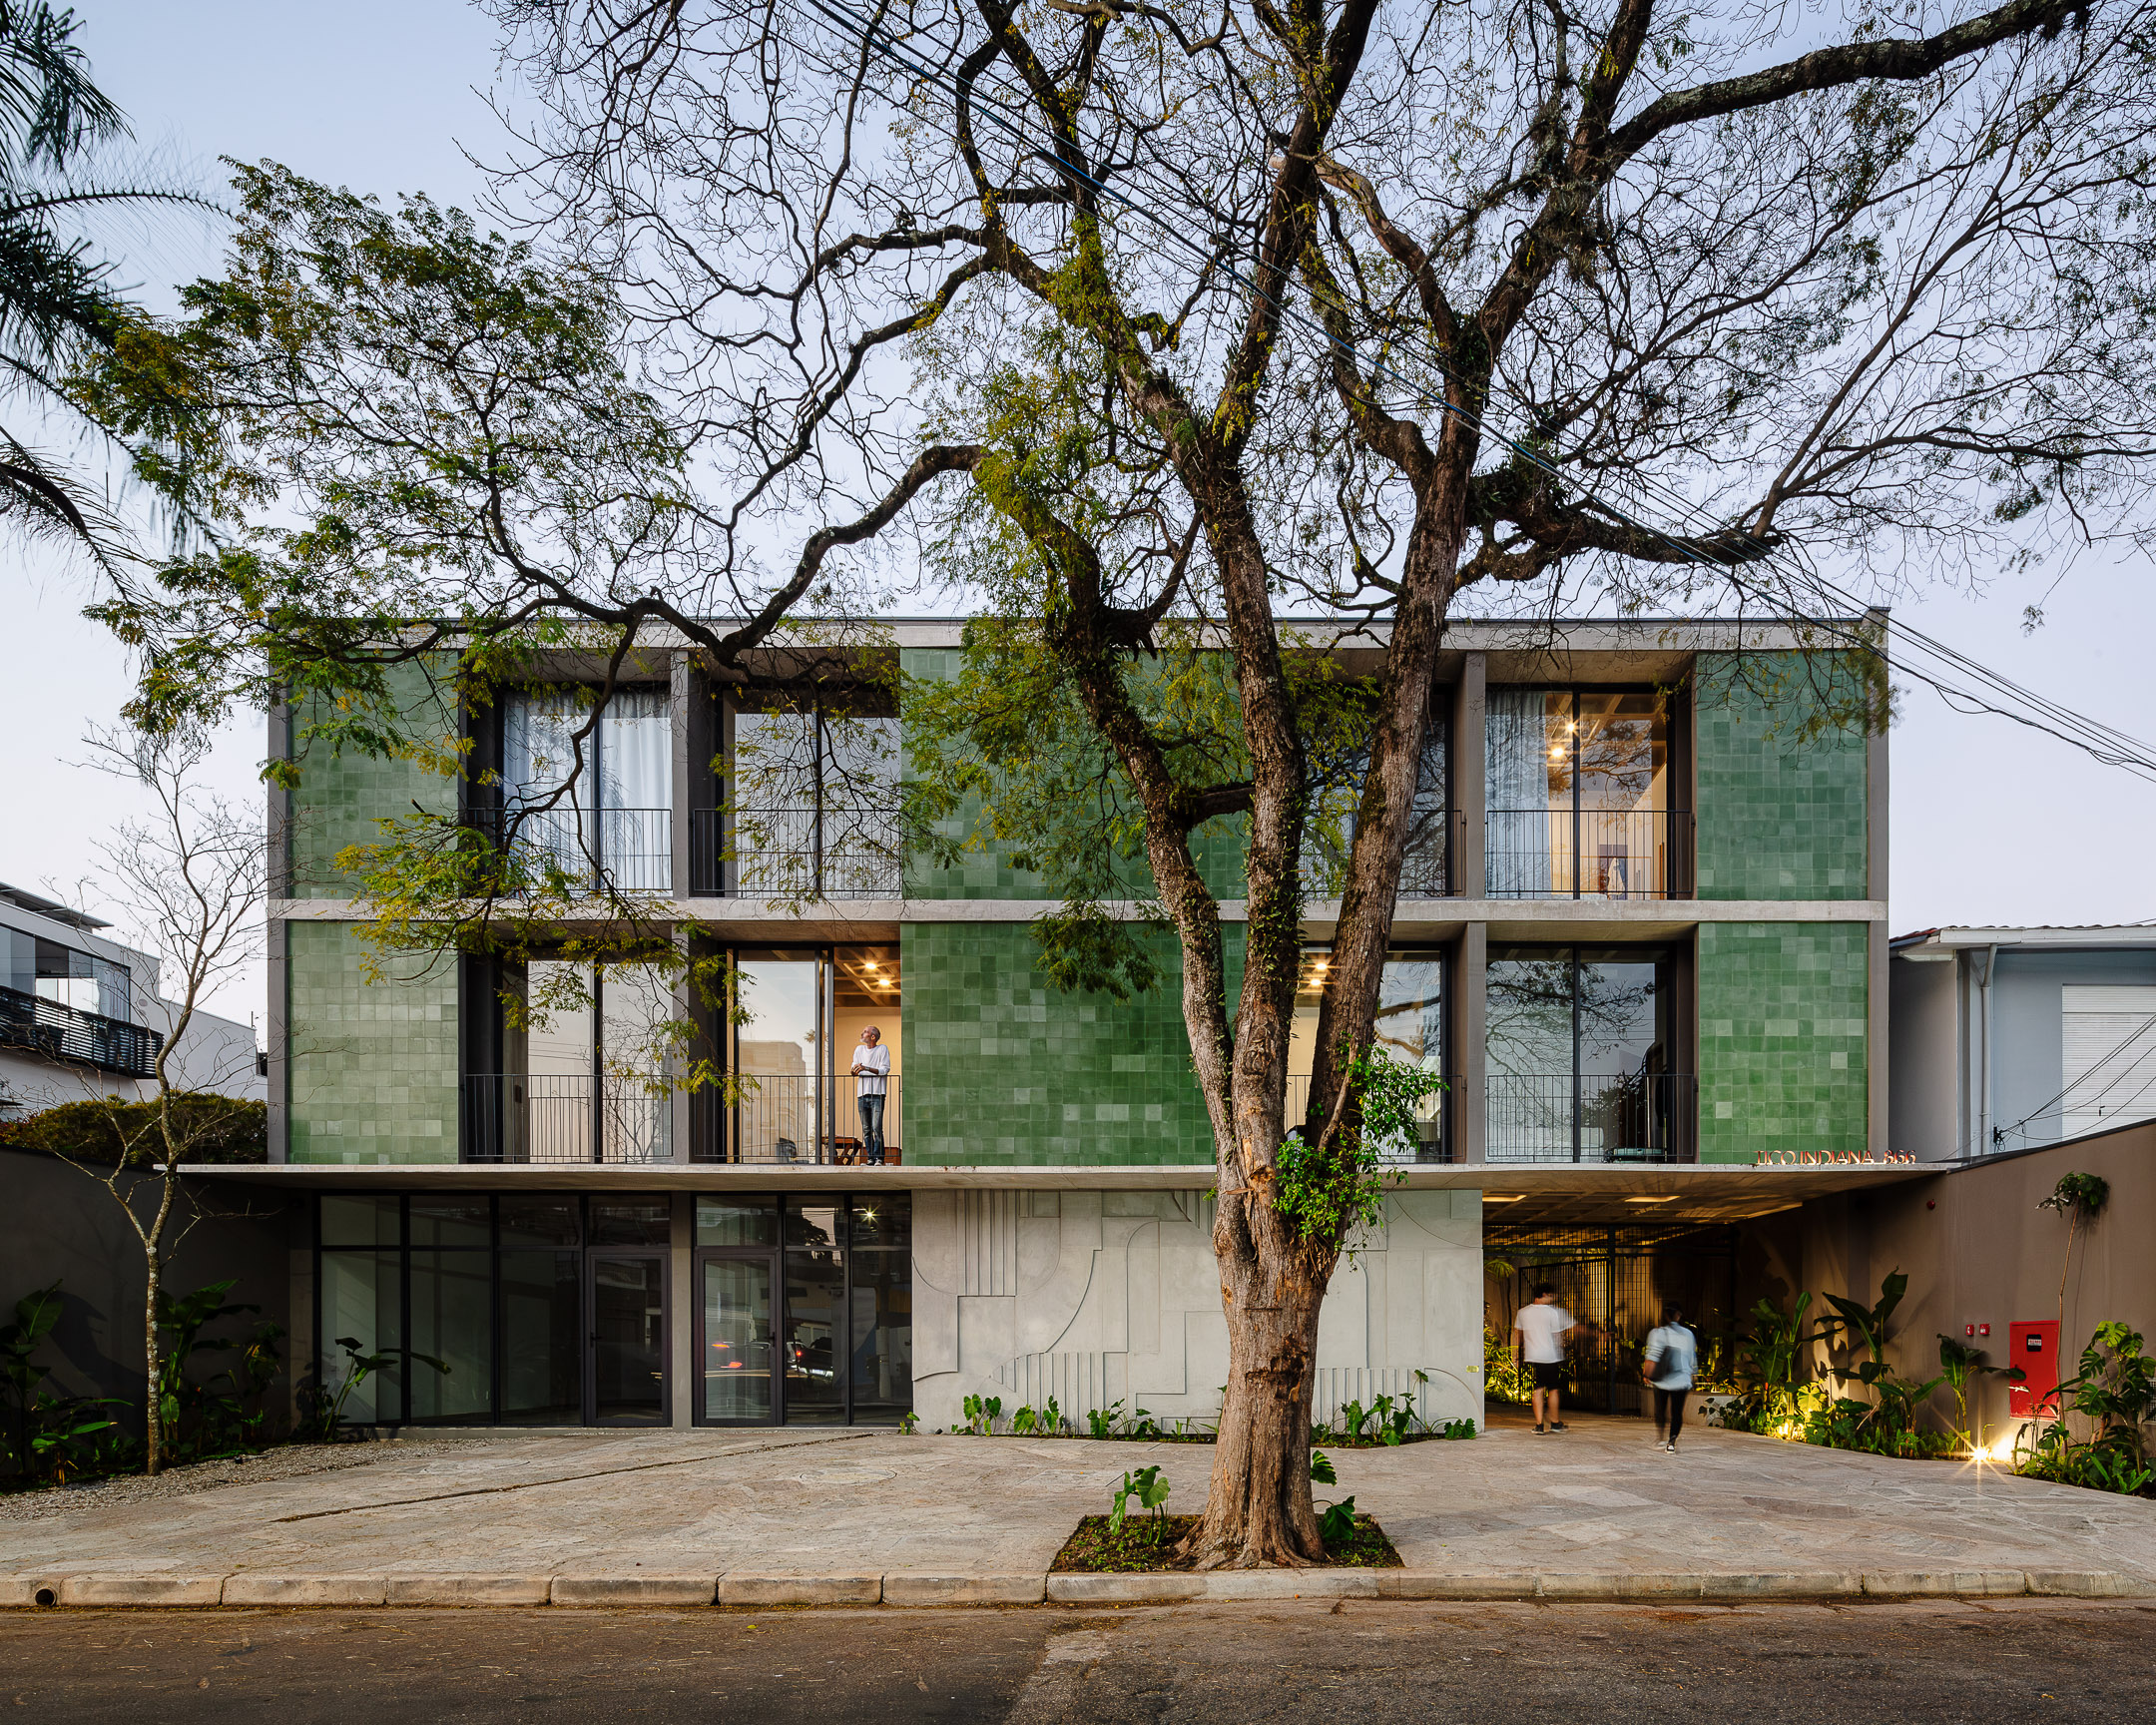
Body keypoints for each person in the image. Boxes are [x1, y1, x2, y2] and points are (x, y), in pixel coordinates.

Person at [1512, 1284, 1575, 1435]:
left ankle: (1539, 1425)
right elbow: (1556, 1336)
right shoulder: (1551, 1312)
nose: (1552, 1299)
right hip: (1550, 1355)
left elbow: (1518, 1335)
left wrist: (1516, 1356)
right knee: (1553, 1389)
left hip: (1533, 1355)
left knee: (1538, 1388)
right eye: (1551, 1296)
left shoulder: (1523, 1312)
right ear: (1544, 1294)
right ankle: (1554, 1423)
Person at [1641, 1303, 1698, 1452]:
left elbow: (1651, 1355)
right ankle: (1671, 1442)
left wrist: (1646, 1373)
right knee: (1677, 1412)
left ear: (1664, 1315)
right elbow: (1692, 1358)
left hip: (1663, 1380)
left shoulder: (1657, 1333)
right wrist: (1693, 1375)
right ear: (1678, 1315)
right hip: (1682, 1379)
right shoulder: (1688, 1334)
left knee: (1660, 1410)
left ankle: (1660, 1438)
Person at [850, 1025, 890, 1164]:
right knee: (866, 1129)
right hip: (862, 1094)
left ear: (873, 1037)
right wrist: (860, 1071)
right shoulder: (859, 1049)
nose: (862, 1033)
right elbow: (854, 1070)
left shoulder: (882, 1049)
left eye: (866, 1032)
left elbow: (884, 1070)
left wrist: (865, 1068)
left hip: (878, 1094)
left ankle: (879, 1157)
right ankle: (871, 1158)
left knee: (876, 1127)